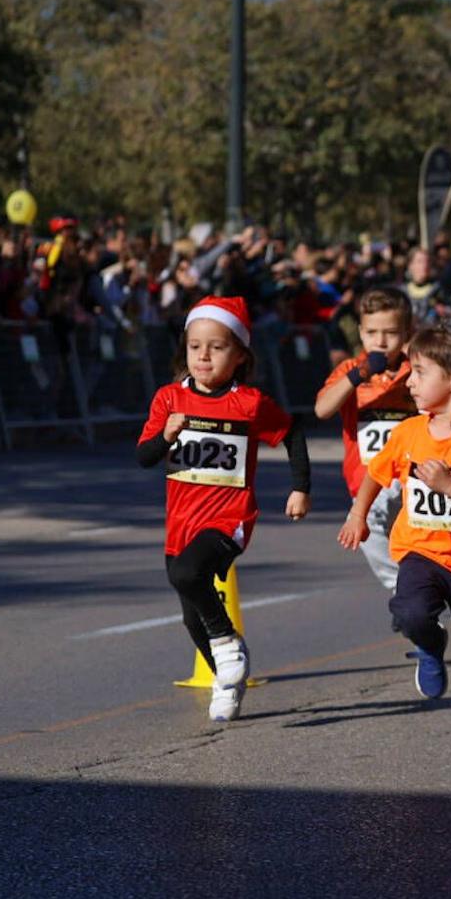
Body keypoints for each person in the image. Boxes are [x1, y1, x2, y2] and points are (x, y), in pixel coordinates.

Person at [339, 323, 451, 743]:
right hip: (420, 551)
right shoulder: (408, 431)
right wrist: (358, 513)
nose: (410, 381)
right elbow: (375, 473)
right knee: (409, 613)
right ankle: (430, 644)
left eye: (420, 372)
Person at [136, 295, 312, 722]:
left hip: (229, 518)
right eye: (195, 346)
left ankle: (228, 642)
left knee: (186, 574)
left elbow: (291, 433)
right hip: (181, 522)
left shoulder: (248, 403)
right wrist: (167, 437)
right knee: (191, 617)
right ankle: (225, 677)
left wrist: (300, 488)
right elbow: (144, 457)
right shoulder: (168, 399)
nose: (204, 356)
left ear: (239, 356)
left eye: (217, 347)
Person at [314, 287, 416, 593]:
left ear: (407, 333)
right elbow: (322, 409)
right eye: (372, 332)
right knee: (370, 527)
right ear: (360, 332)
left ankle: (411, 593)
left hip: (411, 474)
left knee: (383, 524)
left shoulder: (417, 369)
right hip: (366, 479)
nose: (380, 341)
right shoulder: (350, 371)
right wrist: (358, 376)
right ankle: (407, 593)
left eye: (390, 333)